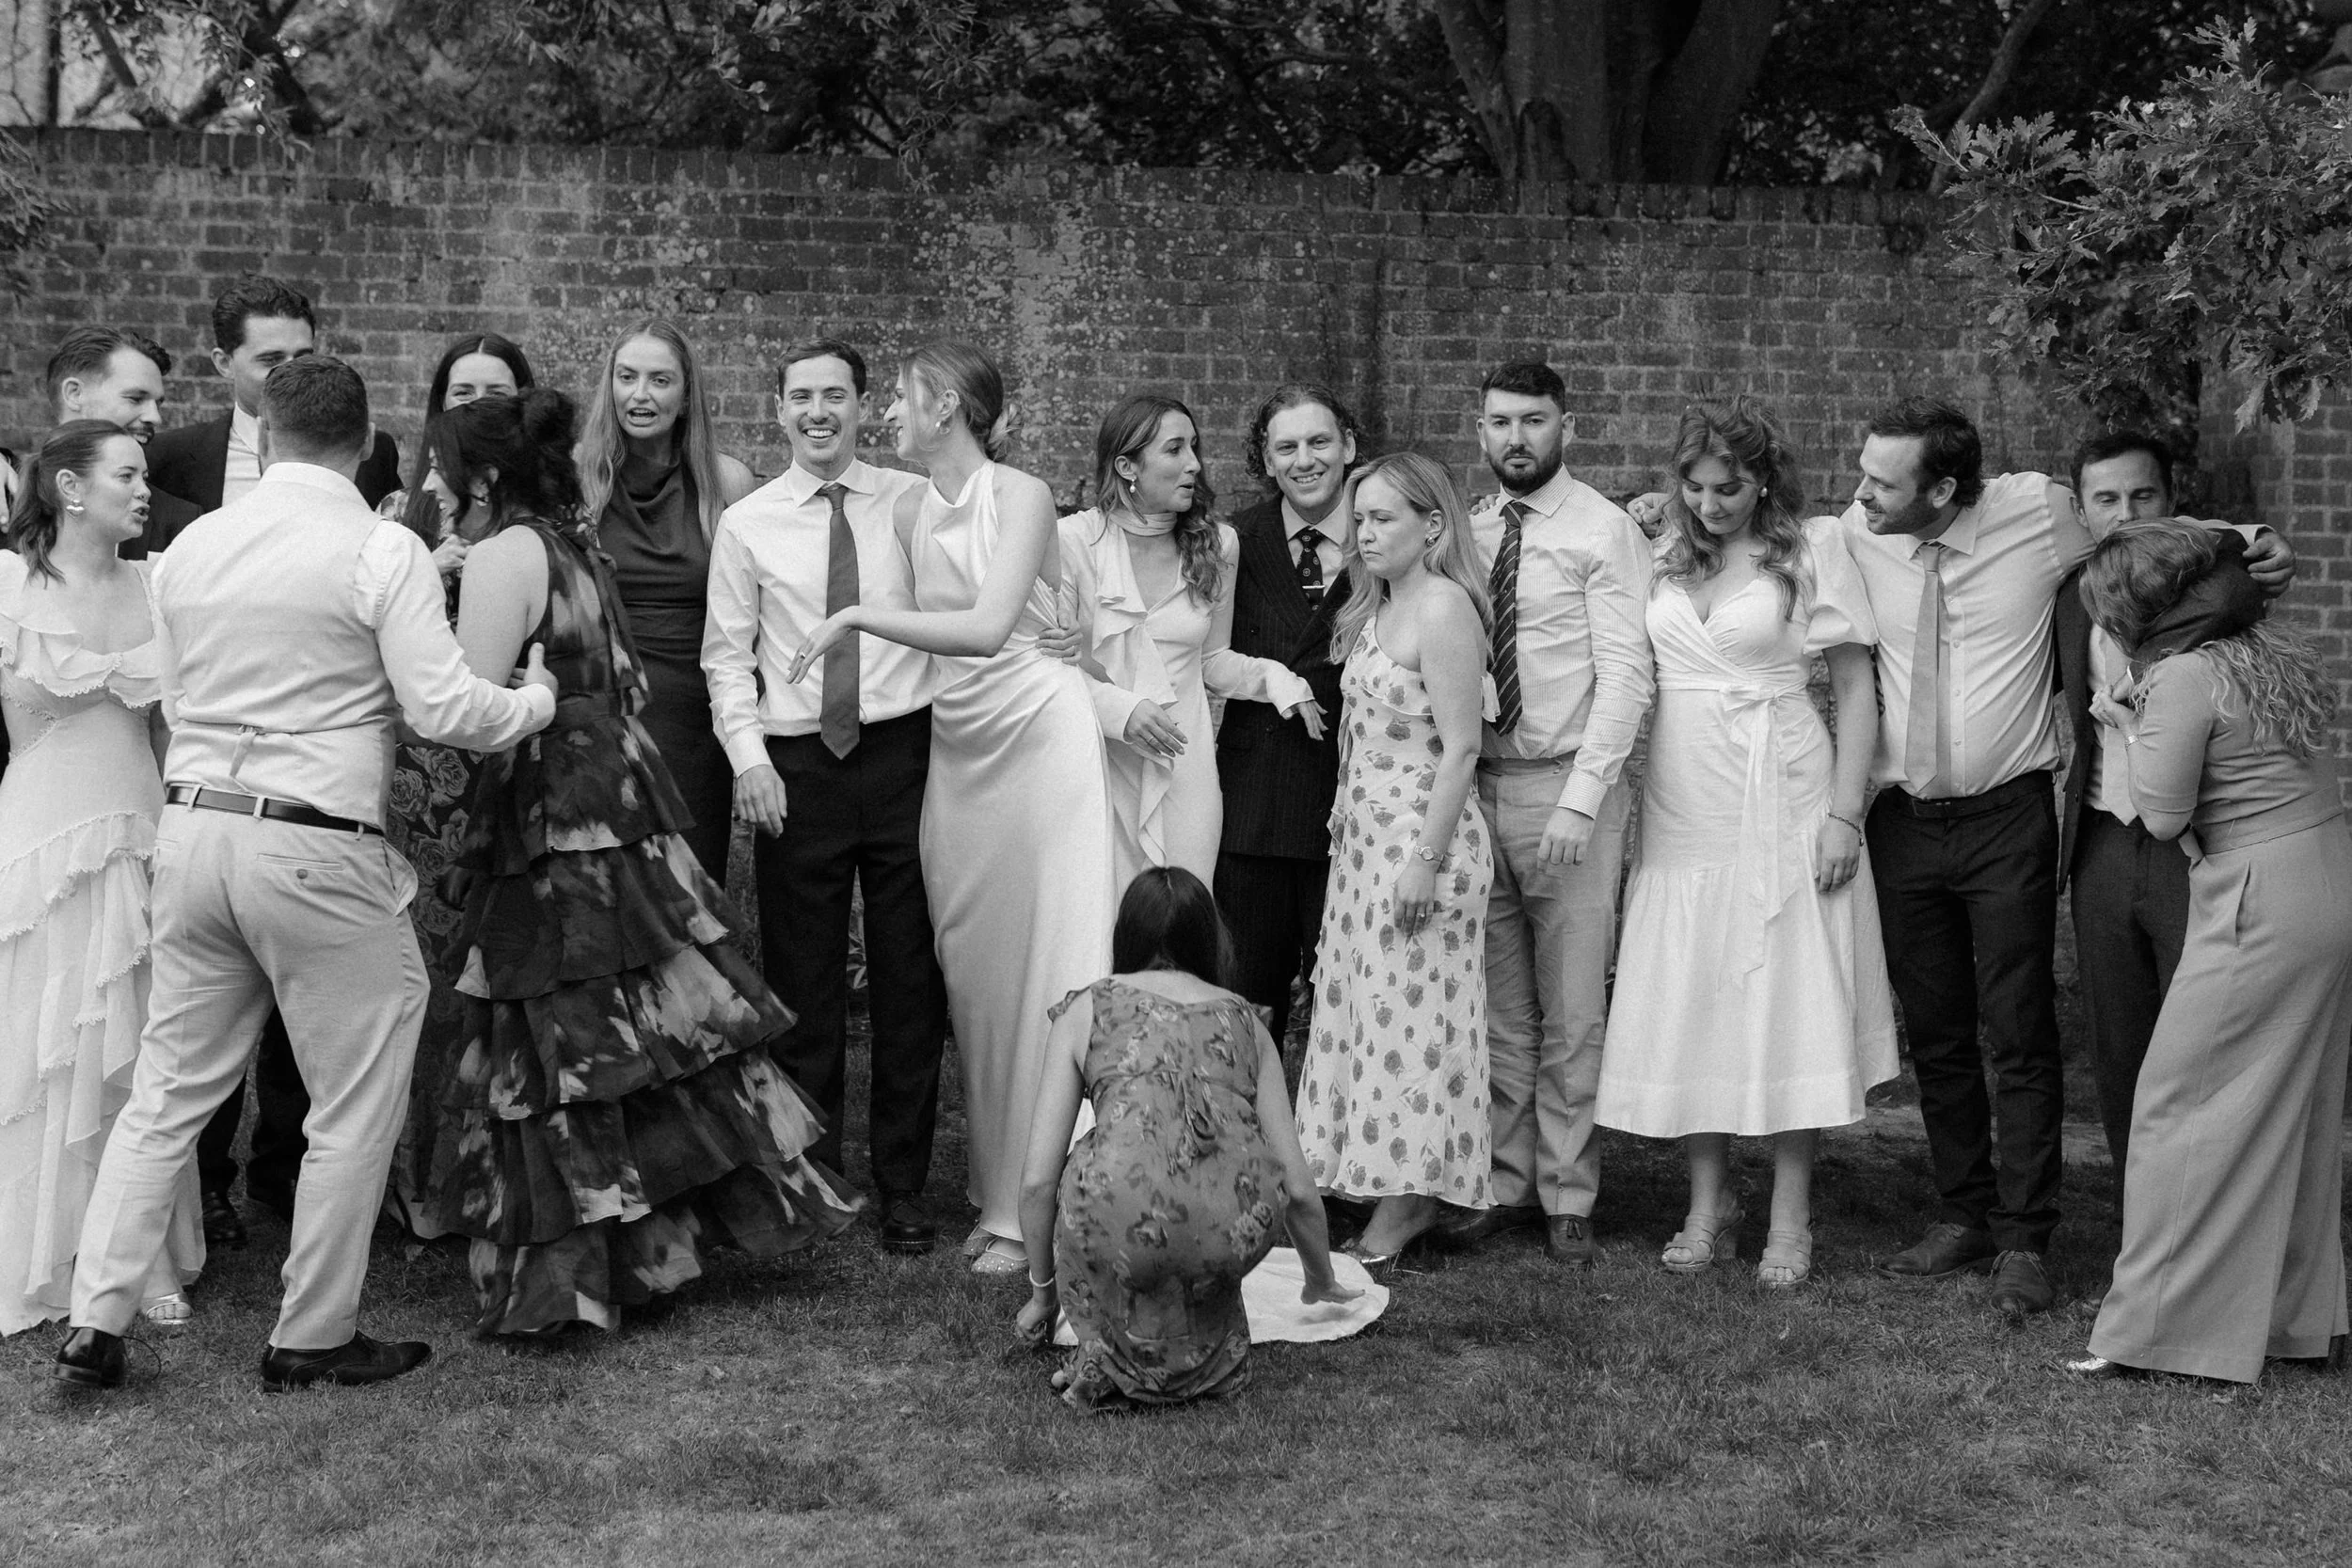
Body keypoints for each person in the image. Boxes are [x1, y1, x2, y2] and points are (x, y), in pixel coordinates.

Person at [53, 356, 556, 1394]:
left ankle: (96, 1317)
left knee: (168, 1089)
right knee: (358, 1084)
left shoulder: (190, 545)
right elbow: (442, 709)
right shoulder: (382, 547)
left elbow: (175, 692)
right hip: (316, 840)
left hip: (192, 832)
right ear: (361, 437)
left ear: (269, 433)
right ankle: (313, 1331)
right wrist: (534, 704)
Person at [414, 388, 858, 1337]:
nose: (439, 483)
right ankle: (651, 1246)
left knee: (565, 1039)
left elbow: (471, 697)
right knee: (637, 1026)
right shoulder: (576, 545)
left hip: (547, 811)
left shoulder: (502, 555)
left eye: (449, 469)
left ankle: (578, 1269)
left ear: (484, 476)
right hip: (615, 803)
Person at [784, 341, 1114, 1277]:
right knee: (974, 975)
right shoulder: (908, 503)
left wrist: (852, 619)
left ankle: (1046, 1203)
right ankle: (999, 1190)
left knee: (1054, 961)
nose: (886, 411)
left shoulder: (1021, 493)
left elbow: (983, 626)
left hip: (1037, 738)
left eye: (900, 397)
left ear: (949, 408)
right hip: (958, 753)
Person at [1593, 399, 1897, 1288]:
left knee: (1789, 984)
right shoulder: (1659, 551)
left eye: (1728, 486)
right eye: (1693, 485)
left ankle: (1791, 1215)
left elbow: (1854, 682)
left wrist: (1847, 812)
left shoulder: (1811, 548)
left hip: (1788, 783)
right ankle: (1706, 1200)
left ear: (1764, 479)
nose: (1710, 502)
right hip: (1685, 794)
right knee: (1700, 986)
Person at [2061, 520, 2352, 1384]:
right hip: (2326, 876)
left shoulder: (2183, 675)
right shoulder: (2263, 650)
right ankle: (2291, 1320)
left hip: (2260, 895)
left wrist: (2126, 719)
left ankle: (2153, 1331)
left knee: (2175, 1105)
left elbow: (2159, 818)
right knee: (2292, 1111)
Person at [703, 339, 949, 1256]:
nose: (818, 411)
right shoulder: (750, 521)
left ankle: (902, 1184)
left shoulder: (909, 501)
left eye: (835, 396)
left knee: (906, 980)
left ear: (860, 405)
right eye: (801, 396)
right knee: (802, 981)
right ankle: (816, 1176)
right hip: (797, 765)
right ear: (777, 410)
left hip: (901, 754)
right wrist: (749, 761)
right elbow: (727, 656)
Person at [1013, 866, 1357, 1411]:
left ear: (1126, 935)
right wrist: (1320, 1278)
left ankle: (1111, 1358)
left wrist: (1042, 1297)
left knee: (1096, 1170)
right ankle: (1205, 1361)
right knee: (1196, 1226)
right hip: (1230, 1228)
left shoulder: (1085, 1010)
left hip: (1121, 1222)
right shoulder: (1247, 1020)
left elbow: (1036, 1183)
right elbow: (1295, 1181)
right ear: (1209, 938)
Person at [0, 422, 203, 1337]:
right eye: (127, 474)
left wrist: (177, 830)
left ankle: (135, 1251)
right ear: (71, 489)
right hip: (47, 824)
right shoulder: (11, 585)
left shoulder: (155, 584)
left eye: (145, 474)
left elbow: (166, 729)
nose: (144, 487)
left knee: (136, 1032)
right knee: (47, 1033)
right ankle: (36, 1248)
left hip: (138, 818)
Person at [1454, 361, 1654, 1266]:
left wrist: (1583, 798)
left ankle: (1569, 1190)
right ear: (1481, 429)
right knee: (1499, 1008)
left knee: (1573, 1006)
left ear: (1565, 425)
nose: (1516, 439)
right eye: (1500, 422)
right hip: (1476, 787)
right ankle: (1504, 1179)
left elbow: (1627, 678)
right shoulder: (1466, 527)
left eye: (1534, 421)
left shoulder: (1604, 530)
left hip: (1564, 784)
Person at [2054, 432, 2293, 1188]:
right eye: (2107, 499)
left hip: (2198, 846)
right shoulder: (2070, 594)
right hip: (2099, 839)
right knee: (2119, 1048)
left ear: (2172, 501)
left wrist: (2251, 537)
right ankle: (2141, 1225)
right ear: (2082, 510)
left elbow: (2236, 566)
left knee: (2204, 1046)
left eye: (2143, 495)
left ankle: (2210, 1218)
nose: (2125, 512)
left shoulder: (2216, 584)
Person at [1295, 451, 1495, 1270]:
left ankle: (1410, 1201)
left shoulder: (1444, 607)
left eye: (1382, 517)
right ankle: (1374, 1177)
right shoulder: (1378, 602)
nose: (1363, 531)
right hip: (1366, 848)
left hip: (1424, 845)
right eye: (1361, 516)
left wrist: (1422, 859)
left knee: (1416, 1027)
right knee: (1371, 1018)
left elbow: (1462, 749)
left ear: (1433, 525)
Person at [381, 331, 539, 1236]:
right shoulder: (399, 515)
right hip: (422, 777)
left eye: (496, 391)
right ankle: (415, 1181)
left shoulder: (544, 519)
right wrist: (423, 568)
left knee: (507, 971)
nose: (477, 403)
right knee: (425, 979)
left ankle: (500, 1176)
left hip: (519, 760)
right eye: (462, 389)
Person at [1060, 393, 1321, 893]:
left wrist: (1274, 677)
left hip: (1186, 766)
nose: (1195, 465)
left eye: (1194, 448)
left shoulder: (1219, 544)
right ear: (1127, 465)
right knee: (1098, 922)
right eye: (1175, 449)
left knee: (1181, 916)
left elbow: (1212, 661)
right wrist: (1122, 710)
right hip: (1096, 764)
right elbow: (1045, 665)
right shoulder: (1073, 542)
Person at [575, 318, 759, 881]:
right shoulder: (582, 474)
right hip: (603, 707)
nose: (641, 394)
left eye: (660, 380)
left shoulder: (725, 481)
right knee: (608, 886)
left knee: (690, 885)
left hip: (692, 713)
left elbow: (753, 609)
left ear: (685, 395)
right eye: (626, 377)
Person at [1214, 385, 1361, 1058]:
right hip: (1255, 806)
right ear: (1267, 462)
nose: (1305, 459)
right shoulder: (1232, 541)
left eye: (1319, 441)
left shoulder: (1383, 530)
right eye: (1287, 447)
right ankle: (1249, 1148)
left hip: (1353, 803)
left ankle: (1340, 1156)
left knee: (1351, 1000)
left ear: (1349, 447)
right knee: (1248, 1002)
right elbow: (1204, 653)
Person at [146, 275, 403, 538]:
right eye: (271, 360)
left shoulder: (370, 450)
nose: (291, 373)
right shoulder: (168, 459)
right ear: (224, 363)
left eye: (303, 357)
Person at [41, 327, 199, 555]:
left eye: (158, 404)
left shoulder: (179, 522)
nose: (155, 417)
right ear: (75, 394)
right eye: (136, 398)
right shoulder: (9, 494)